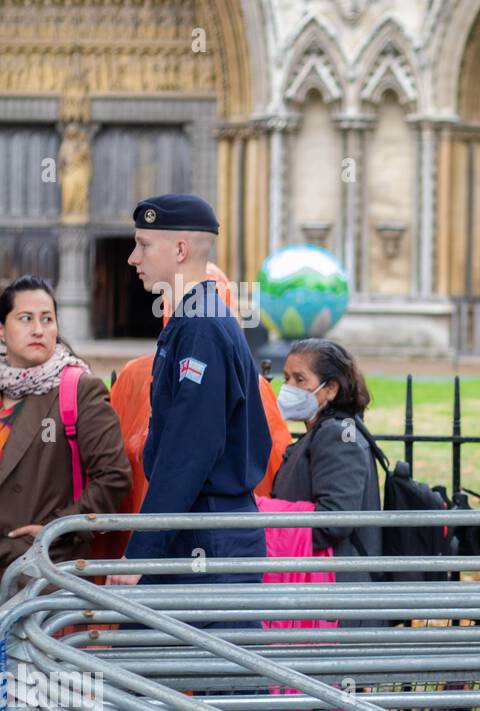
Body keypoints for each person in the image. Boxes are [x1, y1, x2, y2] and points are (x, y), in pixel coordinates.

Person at [106, 193, 272, 592]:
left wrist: (142, 551)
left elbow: (189, 450)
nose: (132, 258)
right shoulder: (194, 320)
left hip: (206, 538)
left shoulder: (201, 326)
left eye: (143, 245)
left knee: (179, 654)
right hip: (198, 531)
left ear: (180, 249)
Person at [97, 261, 292, 561]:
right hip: (211, 534)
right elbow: (277, 470)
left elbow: (112, 464)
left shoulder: (134, 375)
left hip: (152, 539)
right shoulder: (251, 381)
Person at [0, 275, 130, 578]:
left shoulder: (79, 389)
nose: (38, 329)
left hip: (40, 573)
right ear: (2, 330)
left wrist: (57, 528)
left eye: (47, 319)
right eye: (25, 318)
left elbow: (114, 476)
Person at [268, 339, 382, 583]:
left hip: (335, 593)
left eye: (299, 380)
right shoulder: (324, 432)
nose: (288, 387)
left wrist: (269, 522)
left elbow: (334, 520)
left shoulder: (338, 435)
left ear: (331, 388)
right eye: (286, 378)